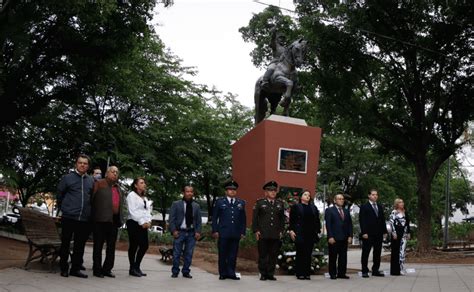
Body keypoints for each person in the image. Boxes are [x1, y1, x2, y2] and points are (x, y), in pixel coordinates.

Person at [57, 154, 94, 278]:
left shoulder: (91, 181)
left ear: (88, 166)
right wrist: (65, 209)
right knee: (65, 243)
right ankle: (64, 268)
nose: (82, 165)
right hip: (69, 216)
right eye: (80, 162)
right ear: (76, 164)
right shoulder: (67, 178)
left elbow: (92, 198)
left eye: (85, 163)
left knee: (79, 245)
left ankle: (75, 269)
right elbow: (60, 196)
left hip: (84, 218)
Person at [91, 166, 124, 278]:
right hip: (100, 220)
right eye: (112, 171)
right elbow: (92, 199)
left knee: (111, 247)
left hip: (114, 220)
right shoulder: (99, 183)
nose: (115, 174)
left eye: (116, 172)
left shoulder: (118, 188)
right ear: (106, 173)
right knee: (98, 246)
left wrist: (121, 218)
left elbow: (121, 205)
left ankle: (107, 269)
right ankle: (97, 269)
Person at [212, 180, 246, 280]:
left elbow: (243, 219)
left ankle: (231, 273)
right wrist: (215, 230)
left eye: (234, 190)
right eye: (230, 189)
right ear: (226, 191)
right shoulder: (220, 202)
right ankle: (222, 273)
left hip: (235, 233)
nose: (232, 191)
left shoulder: (241, 203)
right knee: (223, 254)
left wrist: (242, 232)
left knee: (233, 254)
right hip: (223, 233)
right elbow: (214, 218)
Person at [252, 180, 285, 281]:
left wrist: (281, 230)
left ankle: (270, 274)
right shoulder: (260, 203)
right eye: (270, 191)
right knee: (263, 255)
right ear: (266, 192)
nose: (273, 192)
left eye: (274, 191)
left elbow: (282, 219)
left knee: (273, 255)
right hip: (263, 233)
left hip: (275, 234)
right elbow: (255, 218)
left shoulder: (280, 204)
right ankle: (263, 273)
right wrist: (256, 230)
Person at [168, 185, 202, 279]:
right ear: (183, 192)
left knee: (189, 253)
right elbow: (171, 219)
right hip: (179, 232)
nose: (189, 193)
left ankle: (186, 271)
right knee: (176, 253)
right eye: (187, 191)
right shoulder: (176, 204)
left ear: (193, 193)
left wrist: (198, 232)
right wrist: (174, 230)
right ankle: (175, 271)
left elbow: (199, 221)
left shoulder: (196, 206)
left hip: (191, 233)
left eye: (191, 191)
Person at [289, 190, 321, 280]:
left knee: (308, 253)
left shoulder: (313, 207)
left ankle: (307, 273)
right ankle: (300, 273)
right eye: (305, 194)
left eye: (309, 195)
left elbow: (317, 220)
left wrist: (318, 230)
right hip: (300, 233)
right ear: (301, 197)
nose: (307, 196)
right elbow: (292, 220)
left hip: (310, 233)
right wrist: (291, 230)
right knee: (301, 253)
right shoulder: (296, 207)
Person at [126, 177, 153, 277]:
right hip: (133, 222)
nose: (144, 184)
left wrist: (148, 221)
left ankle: (137, 266)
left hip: (143, 224)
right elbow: (132, 211)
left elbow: (147, 211)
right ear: (136, 185)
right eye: (141, 183)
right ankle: (132, 268)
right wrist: (142, 222)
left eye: (144, 183)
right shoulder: (131, 195)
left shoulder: (144, 198)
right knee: (134, 245)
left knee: (144, 245)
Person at [359, 189, 387, 278]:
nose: (375, 196)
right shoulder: (364, 206)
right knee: (366, 252)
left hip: (378, 234)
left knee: (377, 253)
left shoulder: (379, 206)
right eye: (373, 194)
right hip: (368, 234)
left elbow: (382, 220)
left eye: (376, 195)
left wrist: (385, 231)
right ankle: (364, 270)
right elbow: (362, 220)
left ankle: (375, 270)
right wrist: (364, 232)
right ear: (369, 196)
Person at [325, 193, 352, 280]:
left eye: (342, 199)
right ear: (335, 200)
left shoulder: (346, 211)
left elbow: (349, 225)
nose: (341, 200)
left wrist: (350, 236)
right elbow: (328, 225)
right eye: (339, 199)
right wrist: (330, 236)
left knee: (343, 257)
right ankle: (332, 273)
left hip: (344, 238)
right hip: (334, 238)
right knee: (333, 257)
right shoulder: (329, 210)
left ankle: (342, 273)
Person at [389, 198, 411, 276]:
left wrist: (408, 232)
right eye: (400, 202)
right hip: (396, 233)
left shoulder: (405, 212)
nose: (402, 203)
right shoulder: (394, 212)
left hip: (403, 233)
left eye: (402, 202)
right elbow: (391, 223)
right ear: (397, 204)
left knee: (402, 251)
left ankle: (401, 268)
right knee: (396, 251)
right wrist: (393, 232)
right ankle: (395, 270)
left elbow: (407, 223)